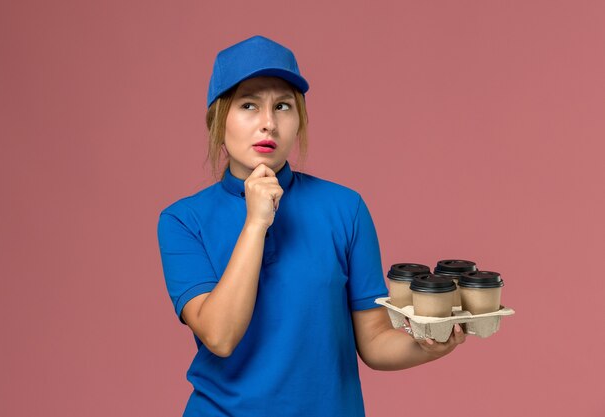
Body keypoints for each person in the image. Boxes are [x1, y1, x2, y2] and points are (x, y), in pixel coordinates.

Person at [157, 35, 466, 417]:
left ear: (299, 119)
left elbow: (372, 341)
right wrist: (256, 222)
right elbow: (219, 337)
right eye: (249, 105)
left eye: (283, 106)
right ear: (219, 120)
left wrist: (429, 344)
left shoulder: (344, 208)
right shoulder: (182, 221)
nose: (268, 123)